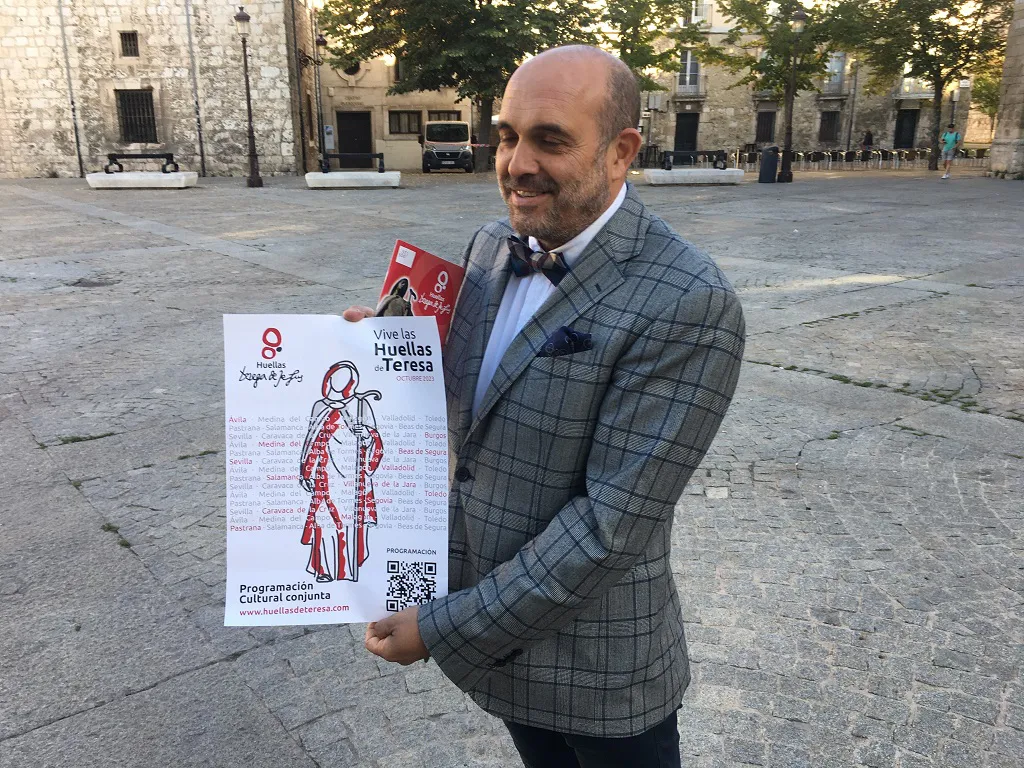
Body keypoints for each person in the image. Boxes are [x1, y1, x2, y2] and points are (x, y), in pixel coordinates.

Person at [346, 45, 745, 767]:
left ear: (621, 152)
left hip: (598, 669)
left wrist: (444, 626)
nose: (516, 164)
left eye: (550, 140)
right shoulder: (493, 245)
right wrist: (387, 357)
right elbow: (478, 402)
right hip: (501, 653)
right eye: (507, 136)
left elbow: (608, 527)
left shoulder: (689, 301)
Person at [298, 362, 383, 583]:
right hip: (325, 473)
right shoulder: (319, 406)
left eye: (344, 379)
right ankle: (324, 569)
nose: (338, 383)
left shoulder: (360, 405)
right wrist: (306, 471)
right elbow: (311, 440)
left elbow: (374, 440)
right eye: (335, 378)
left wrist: (365, 433)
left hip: (352, 476)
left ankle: (348, 571)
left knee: (349, 523)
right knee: (324, 521)